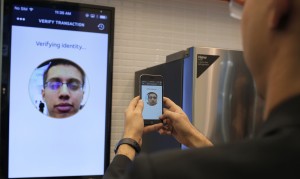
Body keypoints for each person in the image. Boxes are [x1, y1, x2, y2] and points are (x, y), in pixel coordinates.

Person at [104, 0, 300, 178]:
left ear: (277, 6)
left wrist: (129, 141)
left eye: (246, 5)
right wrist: (193, 137)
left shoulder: (158, 171)